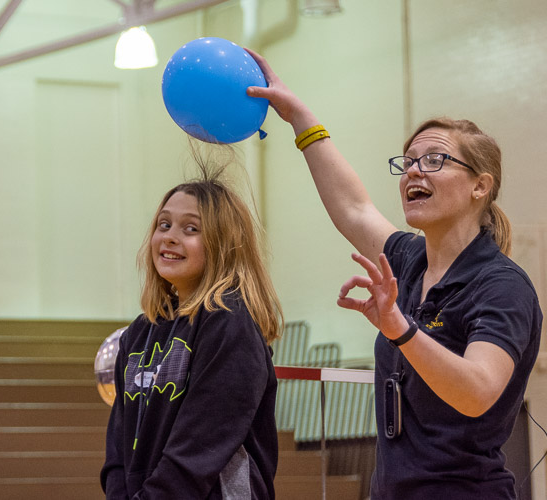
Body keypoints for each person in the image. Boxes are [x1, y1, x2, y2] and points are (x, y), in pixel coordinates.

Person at [246, 50, 542, 499]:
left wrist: (400, 330)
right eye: (407, 162)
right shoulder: (409, 260)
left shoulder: (502, 286)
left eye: (434, 160)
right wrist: (299, 118)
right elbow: (353, 208)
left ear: (480, 185)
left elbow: (478, 391)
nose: (413, 172)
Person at [100, 155, 283, 499]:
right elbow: (117, 451)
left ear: (223, 245)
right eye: (164, 224)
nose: (169, 237)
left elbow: (200, 450)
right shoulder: (138, 333)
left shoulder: (230, 323)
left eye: (191, 228)